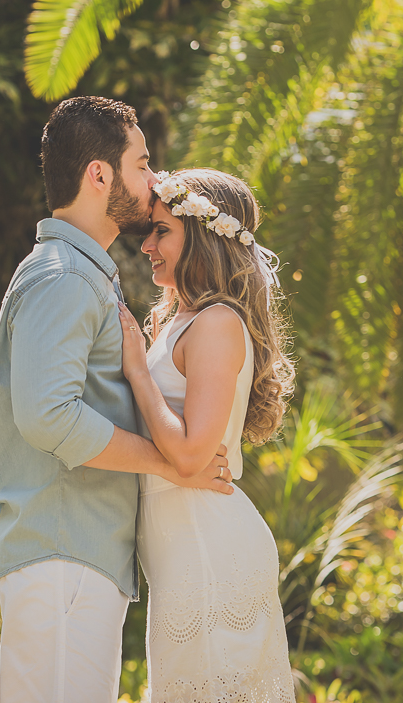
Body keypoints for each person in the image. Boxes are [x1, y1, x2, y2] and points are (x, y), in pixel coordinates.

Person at [0, 97, 235, 703]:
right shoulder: (64, 276)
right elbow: (48, 416)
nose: (154, 181)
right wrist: (167, 461)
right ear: (100, 174)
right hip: (63, 557)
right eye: (142, 165)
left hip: (77, 561)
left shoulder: (80, 273)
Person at [117, 168, 297, 701]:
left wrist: (137, 371)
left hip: (212, 555)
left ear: (202, 237)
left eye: (161, 231)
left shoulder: (217, 323)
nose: (147, 245)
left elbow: (193, 455)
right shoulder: (175, 321)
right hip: (182, 561)